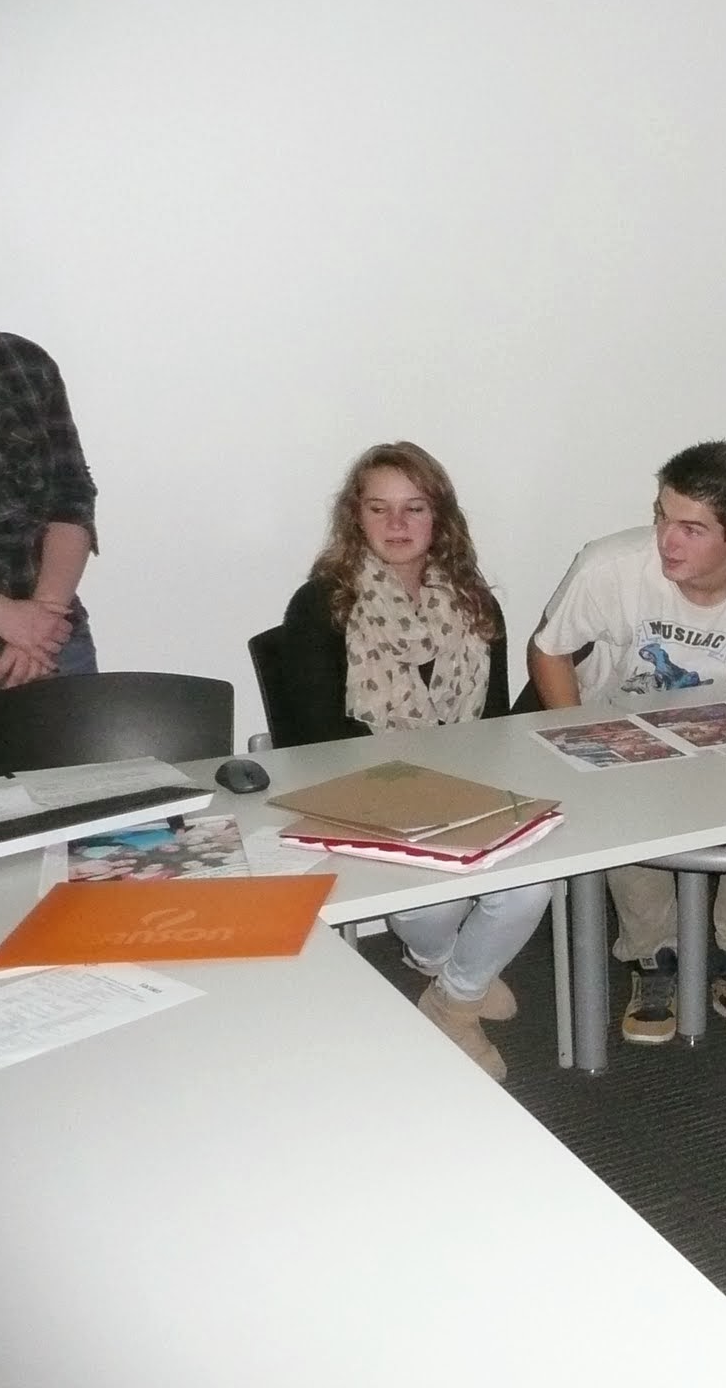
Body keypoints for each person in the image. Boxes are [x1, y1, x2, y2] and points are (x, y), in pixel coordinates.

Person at [529, 441, 726, 1046]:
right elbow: (549, 650)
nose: (667, 540)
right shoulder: (609, 566)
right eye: (663, 517)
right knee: (619, 799)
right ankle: (654, 956)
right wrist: (580, 734)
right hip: (619, 725)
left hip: (723, 737)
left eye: (692, 529)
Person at [280, 442, 533, 1080]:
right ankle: (456, 973)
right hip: (366, 791)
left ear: (439, 517)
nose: (397, 524)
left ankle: (453, 997)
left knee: (534, 881)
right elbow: (316, 742)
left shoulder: (475, 601)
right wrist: (415, 796)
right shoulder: (322, 605)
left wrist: (473, 799)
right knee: (429, 903)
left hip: (467, 787)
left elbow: (495, 726)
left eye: (414, 507)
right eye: (379, 508)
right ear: (355, 517)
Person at [0, 332, 98, 687]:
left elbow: (71, 495)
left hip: (52, 646)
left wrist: (44, 618)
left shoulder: (23, 362)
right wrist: (2, 614)